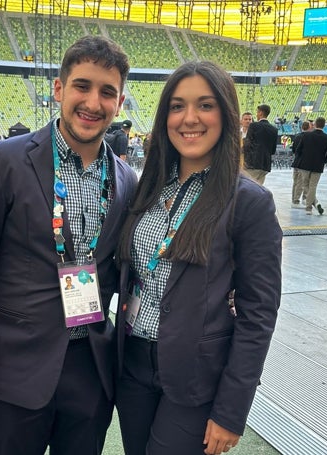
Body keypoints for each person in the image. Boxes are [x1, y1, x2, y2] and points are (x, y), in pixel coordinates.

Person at [0, 36, 137, 455]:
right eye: (82, 86)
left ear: (120, 101)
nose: (93, 102)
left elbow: (118, 272)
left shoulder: (127, 180)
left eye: (107, 92)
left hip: (90, 369)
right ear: (59, 90)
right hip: (14, 367)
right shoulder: (5, 160)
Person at [115, 61, 281, 455]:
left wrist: (231, 409)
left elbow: (259, 314)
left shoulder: (249, 202)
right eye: (177, 106)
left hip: (195, 376)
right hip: (134, 364)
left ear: (225, 114)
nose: (189, 119)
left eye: (204, 105)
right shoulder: (148, 188)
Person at [296, 117, 327, 215]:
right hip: (318, 166)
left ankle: (312, 205)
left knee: (305, 185)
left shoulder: (306, 135)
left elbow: (298, 150)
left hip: (305, 165)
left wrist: (302, 159)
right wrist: (322, 161)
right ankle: (311, 206)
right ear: (324, 125)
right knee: (313, 186)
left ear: (315, 124)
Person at [242, 104, 278, 185]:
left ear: (261, 113)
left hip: (252, 163)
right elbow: (273, 150)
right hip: (265, 165)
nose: (257, 114)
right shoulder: (274, 129)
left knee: (249, 188)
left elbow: (248, 144)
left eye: (257, 112)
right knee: (258, 188)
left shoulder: (254, 126)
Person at [290, 120, 311, 208]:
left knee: (295, 182)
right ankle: (296, 201)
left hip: (296, 161)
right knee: (300, 182)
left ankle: (294, 199)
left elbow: (294, 150)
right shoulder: (307, 137)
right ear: (309, 127)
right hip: (303, 163)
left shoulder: (297, 136)